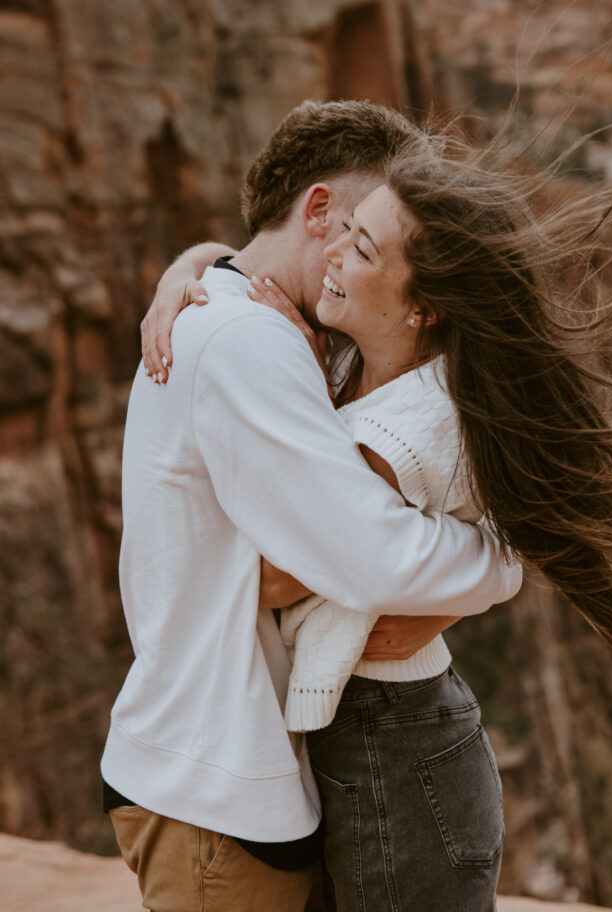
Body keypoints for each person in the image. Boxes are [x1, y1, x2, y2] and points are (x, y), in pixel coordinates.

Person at [146, 127, 612, 912]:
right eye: (343, 233)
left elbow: (274, 580)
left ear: (425, 306)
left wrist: (482, 576)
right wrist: (196, 268)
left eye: (364, 251)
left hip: (395, 747)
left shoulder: (407, 426)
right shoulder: (358, 367)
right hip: (381, 738)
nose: (335, 255)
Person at [102, 100, 522, 912]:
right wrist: (499, 568)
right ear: (320, 209)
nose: (347, 261)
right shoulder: (251, 340)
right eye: (356, 230)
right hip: (219, 788)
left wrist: (194, 261)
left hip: (227, 769)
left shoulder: (252, 318)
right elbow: (366, 559)